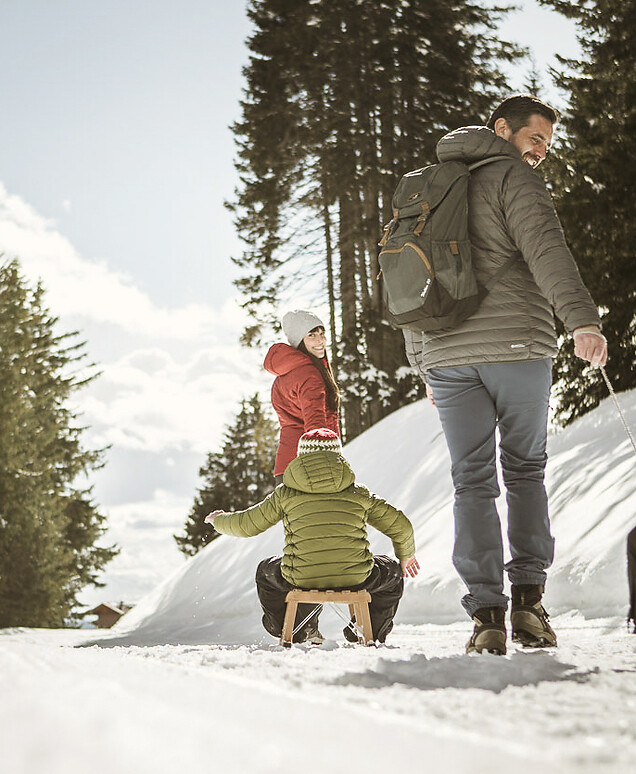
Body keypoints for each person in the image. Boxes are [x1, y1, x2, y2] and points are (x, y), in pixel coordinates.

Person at [403, 94, 608, 655]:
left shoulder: (427, 184)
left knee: (471, 481)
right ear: (502, 130)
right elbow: (547, 250)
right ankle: (528, 607)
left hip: (446, 354)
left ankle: (486, 615)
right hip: (517, 346)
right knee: (524, 471)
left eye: (546, 142)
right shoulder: (512, 177)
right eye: (534, 138)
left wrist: (423, 358)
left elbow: (407, 278)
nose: (540, 151)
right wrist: (581, 321)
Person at [204, 428, 419, 645]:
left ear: (301, 456)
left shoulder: (284, 494)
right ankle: (368, 628)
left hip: (301, 576)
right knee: (391, 571)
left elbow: (247, 525)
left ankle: (291, 628)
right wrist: (406, 556)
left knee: (265, 571)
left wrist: (219, 520)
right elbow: (402, 527)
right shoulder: (359, 493)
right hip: (356, 576)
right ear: (338, 457)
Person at [264, 310, 340, 484]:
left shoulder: (284, 375)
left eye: (322, 334)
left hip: (286, 467)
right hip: (308, 467)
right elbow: (316, 425)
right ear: (300, 341)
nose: (320, 340)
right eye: (311, 335)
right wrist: (326, 464)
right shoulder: (310, 375)